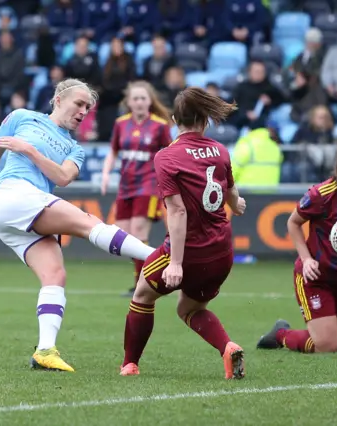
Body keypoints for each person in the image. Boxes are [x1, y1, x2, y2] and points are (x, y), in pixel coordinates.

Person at [0, 78, 156, 372]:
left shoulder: (76, 150)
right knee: (89, 223)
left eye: (88, 107)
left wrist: (30, 151)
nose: (84, 111)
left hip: (24, 208)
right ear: (59, 99)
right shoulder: (23, 117)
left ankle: (45, 351)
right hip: (13, 194)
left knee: (55, 274)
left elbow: (62, 178)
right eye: (79, 103)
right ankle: (158, 257)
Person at [120, 87, 247, 379]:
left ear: (175, 119)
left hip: (187, 251)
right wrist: (236, 205)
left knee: (141, 295)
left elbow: (177, 212)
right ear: (204, 121)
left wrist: (175, 262)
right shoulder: (220, 150)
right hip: (221, 251)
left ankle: (130, 364)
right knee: (189, 307)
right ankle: (227, 347)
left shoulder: (167, 157)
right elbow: (230, 192)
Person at [257, 140, 337, 354]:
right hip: (317, 278)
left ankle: (327, 330)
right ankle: (281, 334)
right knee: (328, 346)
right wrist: (307, 259)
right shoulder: (322, 194)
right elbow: (293, 222)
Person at [100, 81, 172, 297]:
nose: (139, 102)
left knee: (139, 234)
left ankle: (142, 283)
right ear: (129, 102)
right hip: (126, 186)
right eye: (136, 98)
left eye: (143, 98)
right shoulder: (121, 124)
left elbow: (168, 154)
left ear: (150, 101)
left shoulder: (160, 125)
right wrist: (105, 174)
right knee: (126, 236)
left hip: (148, 185)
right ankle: (153, 272)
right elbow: (113, 151)